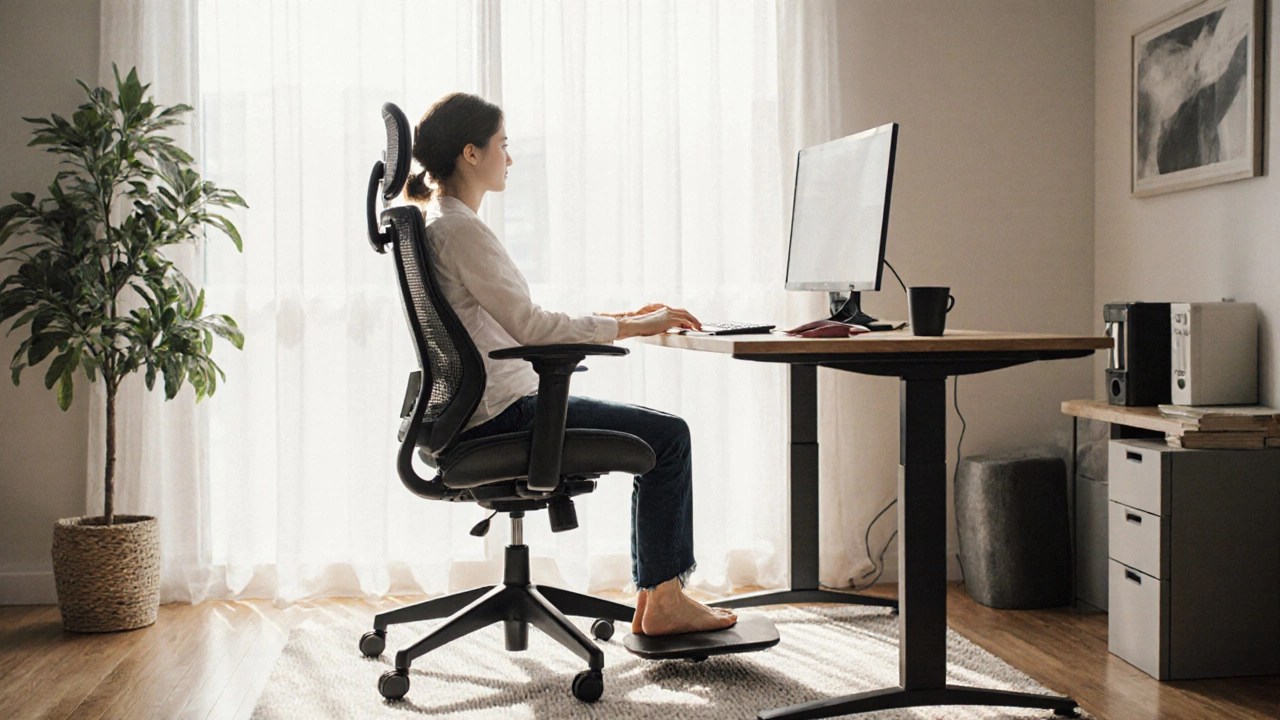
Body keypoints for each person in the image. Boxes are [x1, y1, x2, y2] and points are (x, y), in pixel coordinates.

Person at [405, 92, 735, 637]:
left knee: (660, 435)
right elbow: (533, 329)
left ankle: (658, 601)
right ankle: (665, 599)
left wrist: (624, 315)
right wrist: (633, 326)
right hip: (506, 415)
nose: (509, 159)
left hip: (479, 412)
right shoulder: (460, 229)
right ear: (470, 153)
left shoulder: (439, 223)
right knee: (668, 438)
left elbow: (521, 318)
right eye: (502, 146)